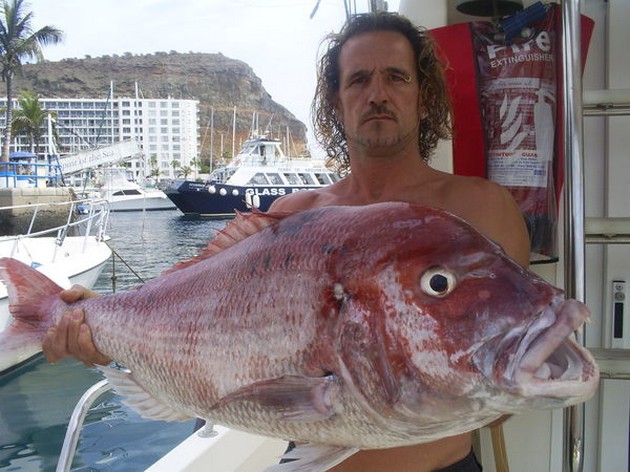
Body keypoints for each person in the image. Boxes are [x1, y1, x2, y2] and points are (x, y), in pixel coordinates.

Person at [43, 11, 530, 472]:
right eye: (358, 79)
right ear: (337, 103)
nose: (377, 93)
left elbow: (513, 369)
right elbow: (196, 326)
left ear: (424, 97)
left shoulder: (482, 210)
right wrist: (100, 327)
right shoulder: (293, 218)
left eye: (396, 77)